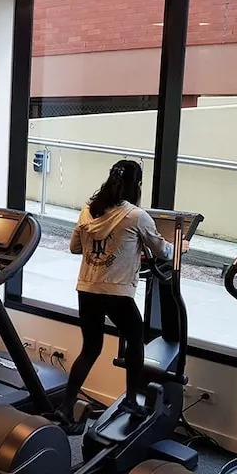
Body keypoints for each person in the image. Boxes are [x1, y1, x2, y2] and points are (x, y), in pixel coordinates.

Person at [52, 159, 188, 434]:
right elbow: (163, 251)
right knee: (136, 339)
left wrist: (116, 248)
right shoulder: (136, 216)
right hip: (116, 291)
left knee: (90, 348)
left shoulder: (88, 211)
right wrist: (181, 247)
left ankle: (65, 406)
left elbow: (75, 247)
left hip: (87, 289)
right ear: (136, 185)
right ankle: (130, 401)